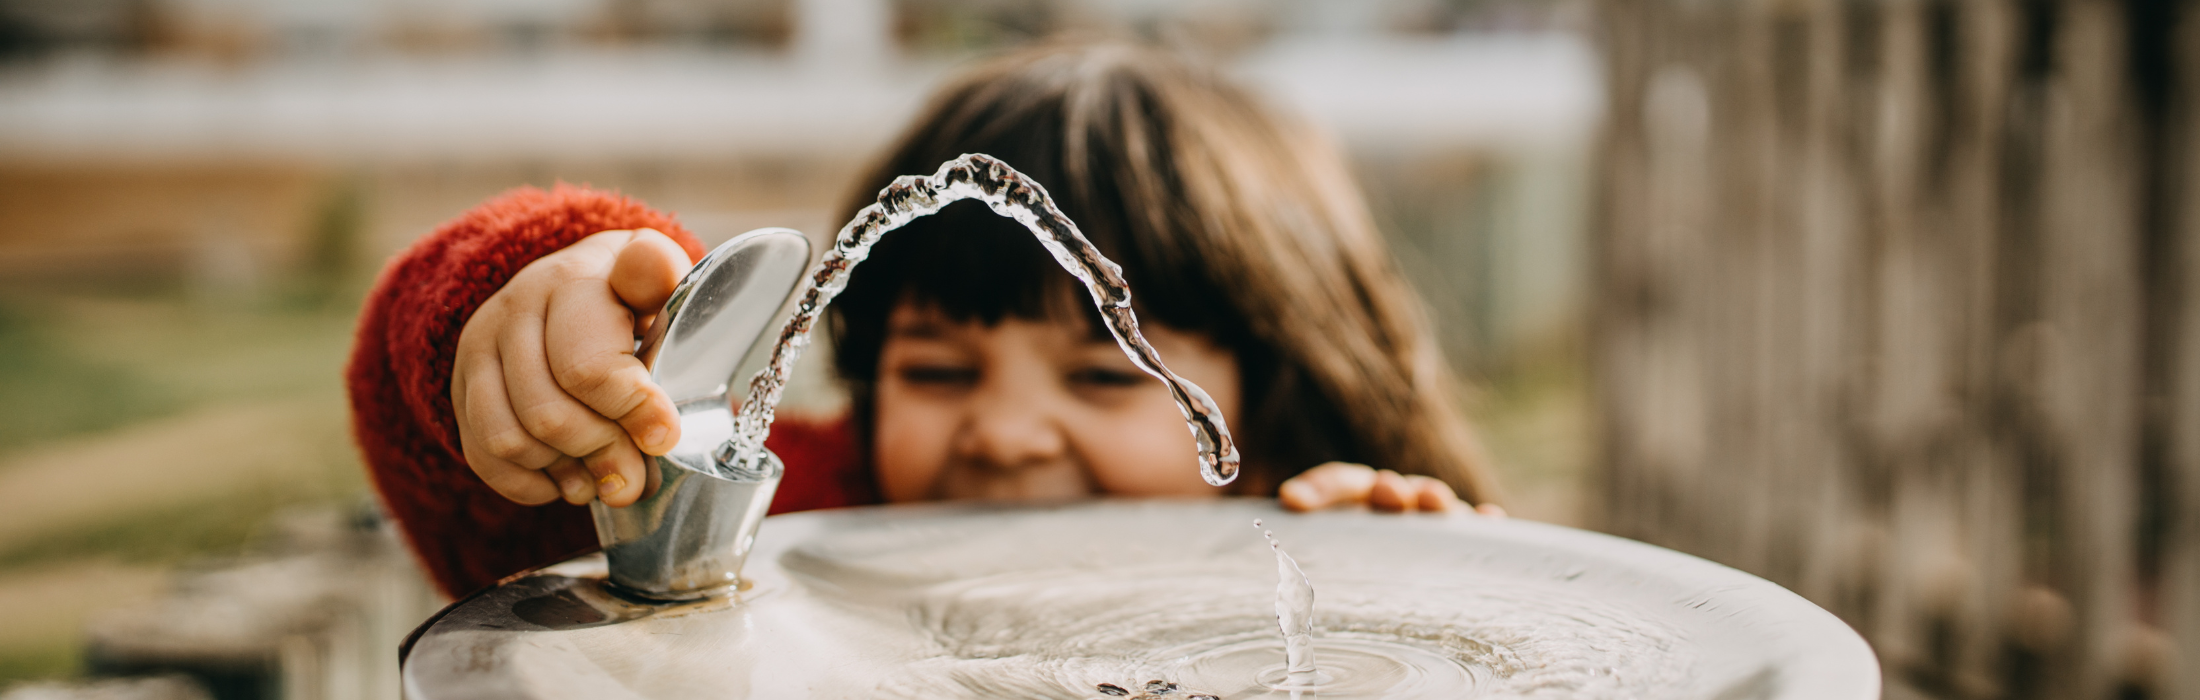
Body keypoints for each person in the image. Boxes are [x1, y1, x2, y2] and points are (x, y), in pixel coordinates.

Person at [349, 41, 1502, 600]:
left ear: (1273, 393)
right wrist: (536, 321)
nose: (1003, 435)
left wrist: (1398, 582)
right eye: (938, 371)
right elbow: (484, 524)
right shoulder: (792, 528)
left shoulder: (1293, 556)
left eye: (1104, 379)